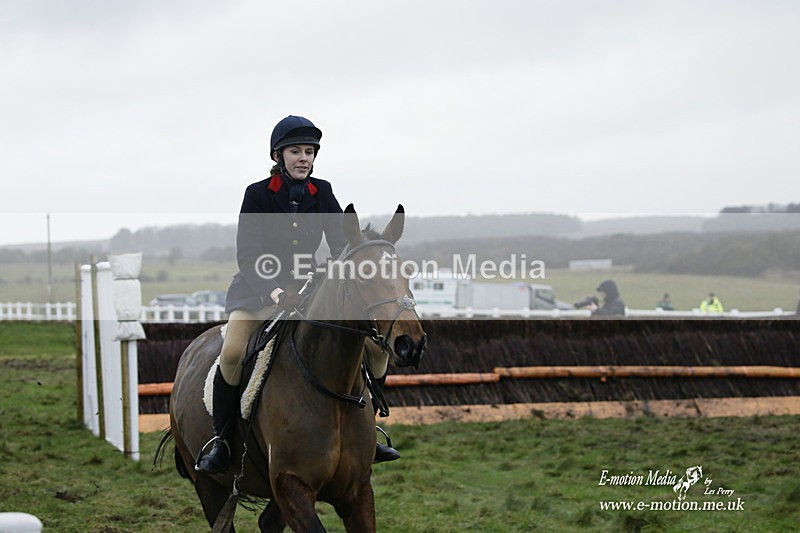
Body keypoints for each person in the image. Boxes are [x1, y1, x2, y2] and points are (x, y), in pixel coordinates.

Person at [195, 115, 398, 474]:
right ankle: (221, 440)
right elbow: (248, 254)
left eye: (309, 151)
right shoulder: (257, 194)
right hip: (257, 293)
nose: (303, 158)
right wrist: (273, 291)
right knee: (232, 352)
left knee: (375, 348)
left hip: (307, 291)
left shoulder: (323, 192)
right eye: (295, 151)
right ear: (278, 155)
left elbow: (341, 245)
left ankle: (371, 428)